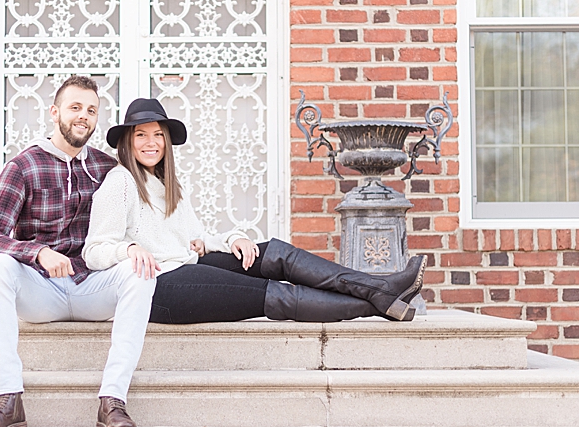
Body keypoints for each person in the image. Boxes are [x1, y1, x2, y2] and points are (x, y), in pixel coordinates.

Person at [83, 98, 427, 325]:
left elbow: (197, 238)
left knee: (275, 255)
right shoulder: (121, 182)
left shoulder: (166, 184)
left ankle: (377, 288)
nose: (150, 142)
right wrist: (128, 250)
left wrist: (233, 238)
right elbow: (93, 252)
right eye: (140, 135)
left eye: (157, 135)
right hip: (159, 288)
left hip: (184, 264)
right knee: (273, 292)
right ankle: (377, 299)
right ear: (127, 142)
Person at [0, 76, 155, 427]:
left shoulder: (108, 170)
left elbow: (155, 216)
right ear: (54, 113)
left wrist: (206, 242)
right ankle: (8, 399)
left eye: (91, 110)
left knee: (139, 272)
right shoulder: (23, 167)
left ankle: (113, 402)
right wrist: (36, 251)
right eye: (75, 108)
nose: (83, 116)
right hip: (41, 291)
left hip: (91, 286)